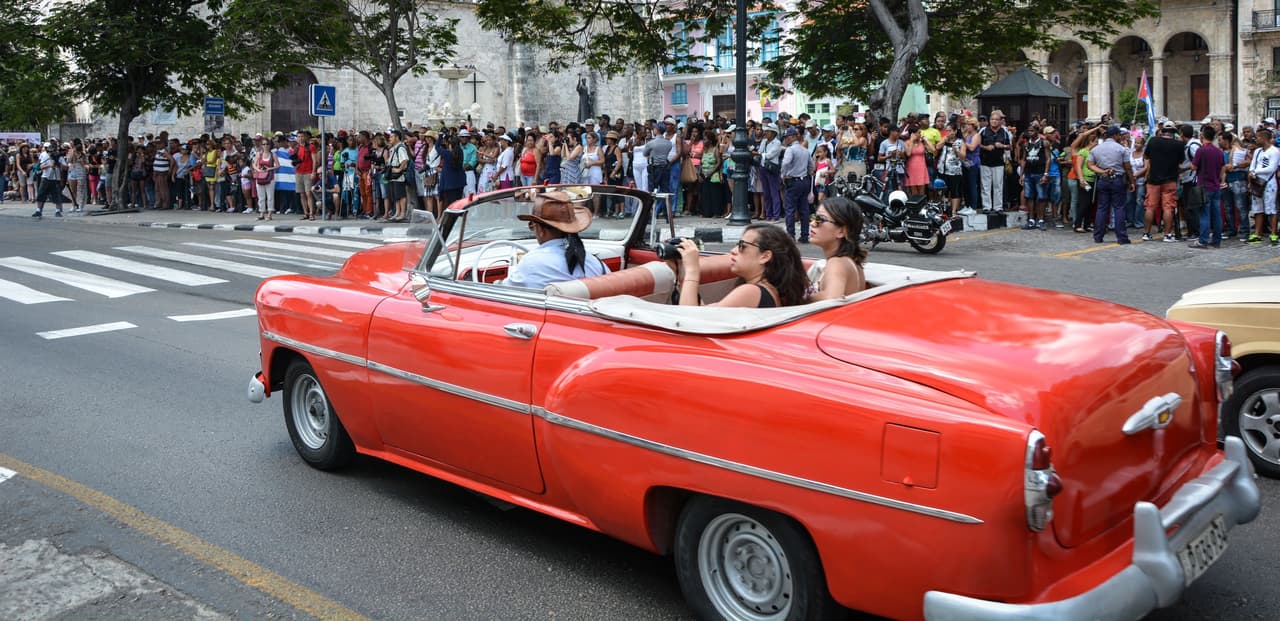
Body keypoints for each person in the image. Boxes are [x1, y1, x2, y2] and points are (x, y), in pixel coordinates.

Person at [674, 223, 807, 308]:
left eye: (742, 246)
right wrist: (683, 271)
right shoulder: (770, 290)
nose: (733, 250)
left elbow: (689, 320)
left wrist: (692, 270)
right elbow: (704, 312)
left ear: (765, 256)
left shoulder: (751, 292)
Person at [504, 188, 610, 289]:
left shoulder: (530, 263)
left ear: (541, 230)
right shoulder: (597, 264)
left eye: (533, 226)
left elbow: (504, 291)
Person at [806, 197, 867, 301]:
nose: (812, 223)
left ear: (841, 231)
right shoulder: (850, 261)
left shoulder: (837, 263)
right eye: (814, 217)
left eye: (820, 219)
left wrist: (800, 297)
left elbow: (833, 299)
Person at [1086, 126, 1134, 244]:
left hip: (1103, 179)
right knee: (1119, 208)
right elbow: (1127, 167)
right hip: (1117, 178)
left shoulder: (1096, 149)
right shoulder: (1121, 149)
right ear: (1116, 135)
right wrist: (1132, 181)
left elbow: (1090, 164)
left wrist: (1102, 171)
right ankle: (1122, 237)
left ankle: (1098, 236)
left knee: (1102, 208)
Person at [1144, 121, 1185, 242]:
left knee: (1150, 207)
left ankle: (1146, 233)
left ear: (1162, 131)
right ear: (1174, 132)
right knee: (1168, 208)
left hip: (1153, 179)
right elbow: (1181, 161)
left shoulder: (1153, 141)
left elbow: (1146, 157)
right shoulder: (1178, 144)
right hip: (1170, 179)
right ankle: (1167, 234)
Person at [1188, 125, 1224, 248]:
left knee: (1204, 214)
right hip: (1215, 185)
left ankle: (1203, 240)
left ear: (1202, 136)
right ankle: (1216, 240)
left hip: (1204, 186)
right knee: (1217, 215)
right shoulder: (1218, 151)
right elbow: (1222, 167)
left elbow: (1194, 166)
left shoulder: (1201, 150)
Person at [1246, 127, 1279, 245]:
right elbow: (1252, 165)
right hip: (1256, 182)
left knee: (1270, 208)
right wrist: (1251, 174)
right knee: (1257, 209)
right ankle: (1257, 233)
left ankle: (1274, 233)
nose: (1256, 139)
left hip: (1269, 182)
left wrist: (1256, 172)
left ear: (1264, 138)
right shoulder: (1258, 151)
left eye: (1258, 137)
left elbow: (1271, 168)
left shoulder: (1274, 151)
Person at [780, 127, 813, 243]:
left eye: (787, 137)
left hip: (793, 180)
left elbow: (785, 163)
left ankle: (791, 235)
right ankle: (804, 235)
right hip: (804, 181)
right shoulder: (805, 150)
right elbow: (811, 167)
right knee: (804, 209)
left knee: (790, 209)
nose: (786, 140)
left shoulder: (790, 150)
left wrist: (783, 175)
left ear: (792, 137)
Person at [978, 111, 1012, 213]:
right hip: (985, 161)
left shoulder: (1004, 132)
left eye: (996, 120)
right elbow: (977, 144)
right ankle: (986, 207)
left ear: (1000, 121)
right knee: (985, 185)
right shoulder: (983, 131)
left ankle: (998, 207)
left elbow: (1010, 146)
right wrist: (986, 147)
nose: (994, 121)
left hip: (999, 162)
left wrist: (1002, 146)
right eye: (992, 119)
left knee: (998, 185)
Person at [251, 138, 280, 220]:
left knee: (270, 196)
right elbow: (254, 164)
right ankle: (262, 212)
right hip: (260, 176)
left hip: (270, 177)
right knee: (261, 196)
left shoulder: (273, 154)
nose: (266, 146)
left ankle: (270, 213)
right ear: (261, 145)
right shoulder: (259, 154)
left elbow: (278, 165)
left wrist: (269, 168)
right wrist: (258, 170)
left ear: (270, 145)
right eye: (264, 144)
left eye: (267, 144)